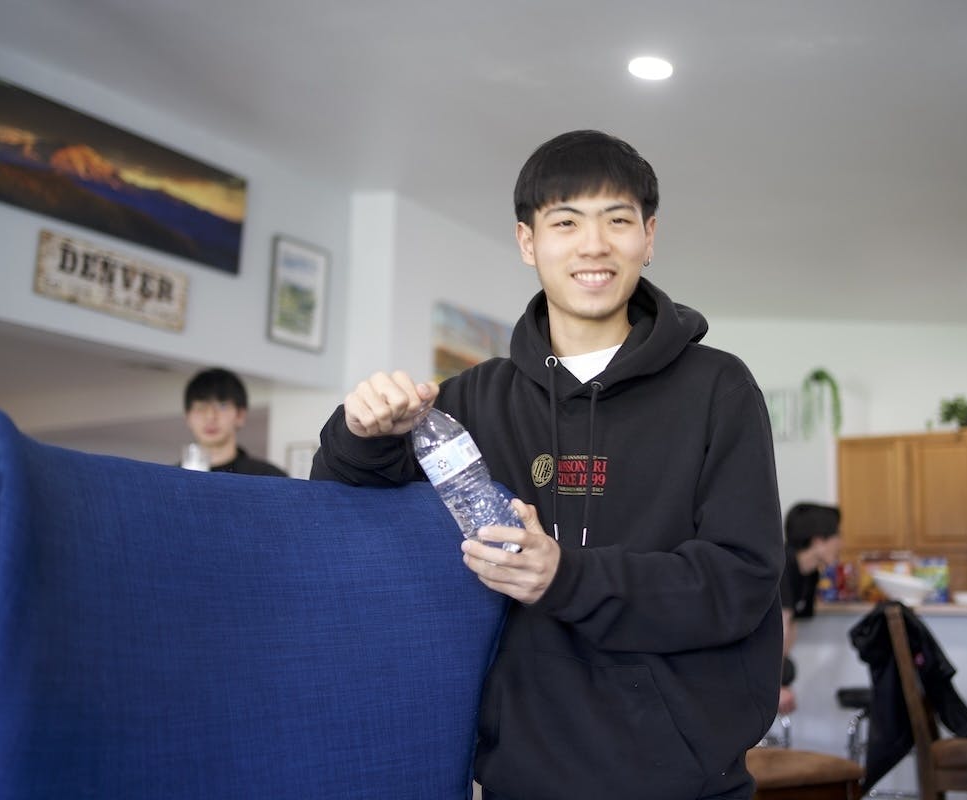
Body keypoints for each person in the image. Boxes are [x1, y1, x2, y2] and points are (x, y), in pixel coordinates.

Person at [310, 130, 784, 799]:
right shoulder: (472, 400)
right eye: (565, 222)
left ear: (648, 237)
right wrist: (359, 433)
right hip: (518, 776)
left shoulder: (718, 388)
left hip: (685, 780)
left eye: (617, 220)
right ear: (527, 241)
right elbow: (344, 508)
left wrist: (566, 576)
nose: (593, 245)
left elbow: (740, 582)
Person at [777, 502, 841, 715]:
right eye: (837, 536)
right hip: (742, 657)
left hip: (769, 658)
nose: (841, 543)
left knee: (789, 671)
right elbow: (781, 625)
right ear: (818, 541)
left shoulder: (810, 573)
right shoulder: (782, 564)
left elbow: (791, 626)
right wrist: (775, 685)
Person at [182, 367, 287, 477]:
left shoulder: (270, 477)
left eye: (222, 406)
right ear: (188, 417)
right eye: (201, 407)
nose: (210, 416)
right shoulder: (172, 479)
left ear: (240, 415)